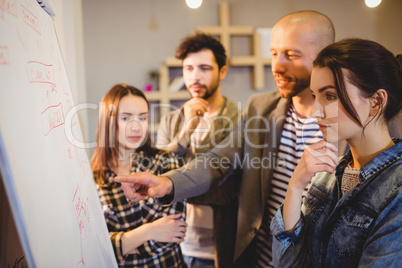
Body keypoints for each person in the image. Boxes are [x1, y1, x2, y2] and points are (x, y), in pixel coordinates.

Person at [116, 10, 335, 267]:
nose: (277, 65)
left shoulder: (346, 118)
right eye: (274, 53)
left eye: (292, 54)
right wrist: (166, 182)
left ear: (324, 56)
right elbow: (218, 160)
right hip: (261, 258)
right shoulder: (260, 108)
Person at [271, 38, 402, 267]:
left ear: (376, 101)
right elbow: (288, 263)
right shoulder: (327, 172)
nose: (315, 112)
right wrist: (295, 187)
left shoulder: (396, 191)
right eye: (315, 96)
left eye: (329, 96)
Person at [156, 32, 240, 268]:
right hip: (175, 244)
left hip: (220, 244)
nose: (195, 77)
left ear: (222, 71)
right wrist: (185, 133)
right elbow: (158, 172)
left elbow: (226, 185)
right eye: (188, 68)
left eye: (204, 68)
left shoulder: (239, 121)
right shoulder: (171, 121)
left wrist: (176, 186)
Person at [90, 84, 187, 267]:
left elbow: (173, 232)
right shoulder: (91, 179)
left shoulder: (166, 162)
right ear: (108, 122)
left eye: (142, 118)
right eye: (126, 118)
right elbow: (96, 248)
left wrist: (122, 243)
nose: (136, 127)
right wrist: (149, 231)